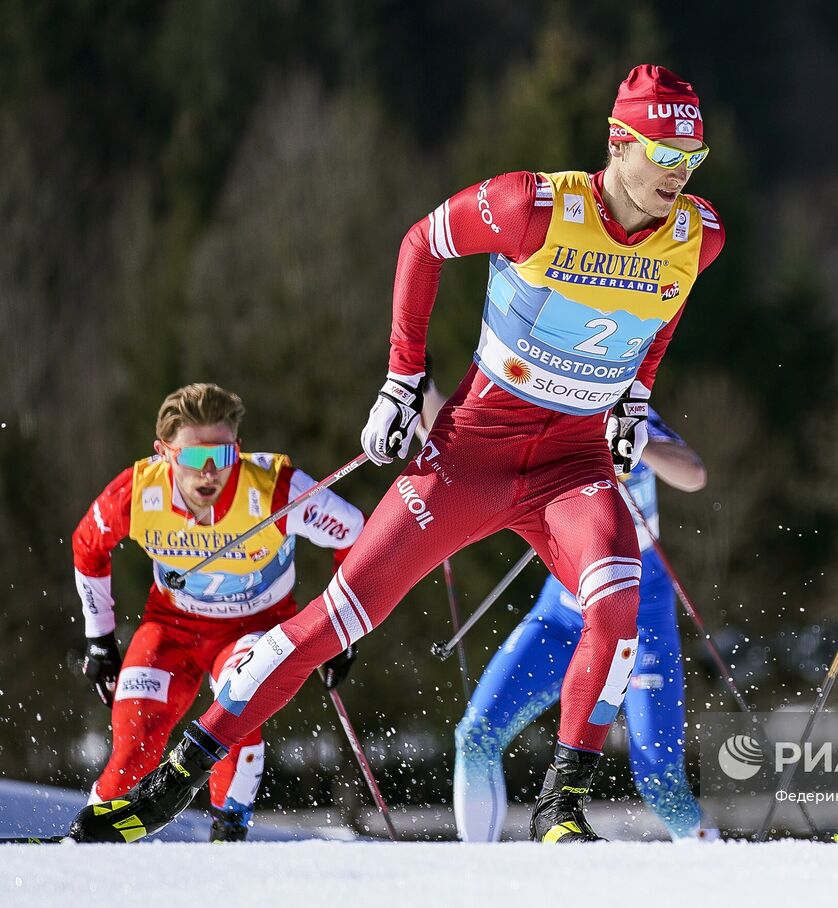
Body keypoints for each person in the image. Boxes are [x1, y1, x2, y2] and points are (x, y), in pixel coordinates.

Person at [71, 64, 724, 844]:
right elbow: (422, 242)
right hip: (472, 457)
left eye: (693, 159)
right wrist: (403, 379)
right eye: (664, 154)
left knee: (617, 603)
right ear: (620, 143)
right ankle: (173, 782)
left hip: (572, 467)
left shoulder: (699, 234)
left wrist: (638, 396)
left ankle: (560, 811)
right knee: (338, 619)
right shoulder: (532, 206)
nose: (678, 176)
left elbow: (666, 304)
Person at [71, 383, 363, 841]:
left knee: (235, 712)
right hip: (171, 628)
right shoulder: (138, 493)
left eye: (223, 456)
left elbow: (353, 531)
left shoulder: (275, 490)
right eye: (192, 458)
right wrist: (99, 638)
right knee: (134, 749)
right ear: (163, 453)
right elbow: (88, 545)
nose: (208, 473)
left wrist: (339, 631)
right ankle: (87, 845)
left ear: (239, 450)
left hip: (254, 627)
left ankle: (228, 830)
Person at [446, 387, 716, 841]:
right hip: (565, 611)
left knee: (660, 782)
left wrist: (637, 439)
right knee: (475, 736)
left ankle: (719, 865)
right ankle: (480, 883)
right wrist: (427, 393)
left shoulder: (629, 405)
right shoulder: (544, 407)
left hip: (639, 616)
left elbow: (693, 474)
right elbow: (466, 446)